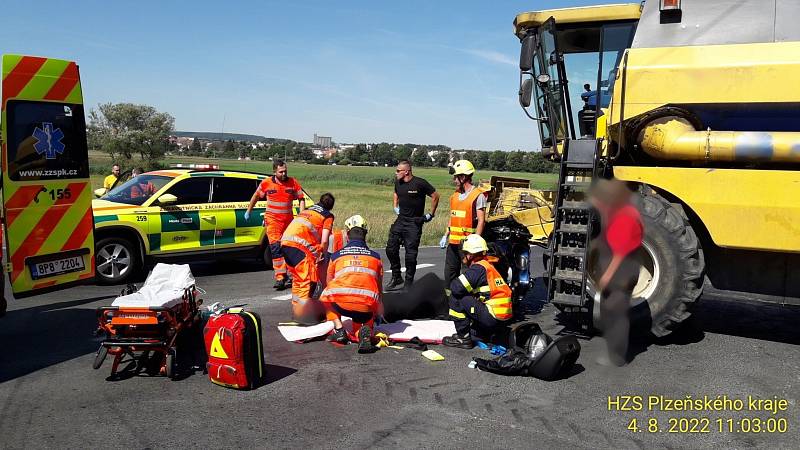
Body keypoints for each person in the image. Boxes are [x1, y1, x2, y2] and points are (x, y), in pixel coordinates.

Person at [588, 179, 643, 366]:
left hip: (621, 272)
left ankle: (617, 357)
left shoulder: (626, 216)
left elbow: (621, 252)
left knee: (616, 314)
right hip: (626, 270)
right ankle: (614, 352)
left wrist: (607, 276)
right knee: (612, 310)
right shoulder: (626, 211)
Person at [320, 215, 383, 353]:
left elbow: (329, 282)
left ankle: (339, 329)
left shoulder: (336, 256)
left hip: (342, 305)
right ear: (365, 235)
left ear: (347, 235)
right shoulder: (376, 257)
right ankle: (363, 334)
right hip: (365, 307)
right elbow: (379, 288)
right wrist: (379, 311)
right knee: (362, 321)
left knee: (326, 296)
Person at [442, 234, 513, 349]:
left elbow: (456, 287)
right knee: (473, 301)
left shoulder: (478, 268)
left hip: (493, 316)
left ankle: (463, 338)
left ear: (469, 255)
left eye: (464, 253)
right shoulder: (489, 264)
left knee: (457, 298)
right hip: (503, 317)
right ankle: (483, 333)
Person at [245, 160, 305, 290]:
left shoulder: (292, 182)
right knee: (276, 248)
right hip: (273, 221)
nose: (284, 174)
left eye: (285, 171)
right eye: (281, 172)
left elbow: (301, 199)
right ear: (274, 171)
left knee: (288, 248)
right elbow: (256, 196)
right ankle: (280, 277)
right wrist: (249, 210)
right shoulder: (267, 183)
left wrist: (301, 215)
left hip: (288, 222)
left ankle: (290, 274)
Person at [281, 193, 335, 324]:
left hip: (285, 243)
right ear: (331, 207)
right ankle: (304, 316)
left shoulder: (308, 210)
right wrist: (322, 252)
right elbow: (325, 240)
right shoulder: (327, 216)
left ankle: (296, 311)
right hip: (298, 247)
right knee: (306, 281)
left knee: (297, 280)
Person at [386, 160, 439, 291]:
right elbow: (396, 193)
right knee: (390, 248)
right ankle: (397, 277)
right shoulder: (398, 182)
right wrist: (395, 206)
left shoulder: (420, 183)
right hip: (401, 220)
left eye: (398, 171)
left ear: (407, 171)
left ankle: (408, 284)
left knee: (410, 255)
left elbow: (435, 196)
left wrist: (430, 214)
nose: (396, 173)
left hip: (414, 222)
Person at [441, 159, 487, 294]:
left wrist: (475, 243)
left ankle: (466, 303)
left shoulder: (478, 196)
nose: (454, 179)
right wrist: (445, 235)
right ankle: (449, 304)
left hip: (467, 245)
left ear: (463, 177)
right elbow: (453, 217)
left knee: (466, 277)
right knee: (449, 275)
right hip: (453, 244)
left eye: (456, 176)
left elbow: (481, 221)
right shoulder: (454, 195)